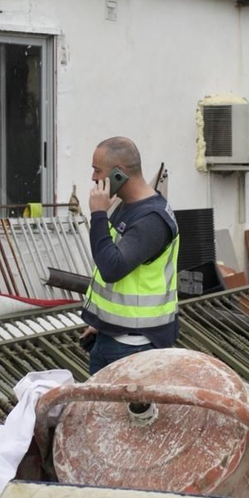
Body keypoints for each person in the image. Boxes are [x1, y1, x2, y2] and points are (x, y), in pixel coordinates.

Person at [80, 136, 179, 372]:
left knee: (123, 411)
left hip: (135, 347)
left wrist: (98, 215)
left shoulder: (151, 220)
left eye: (97, 170)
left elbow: (112, 268)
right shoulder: (127, 205)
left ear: (119, 172)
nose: (93, 178)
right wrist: (101, 324)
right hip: (111, 336)